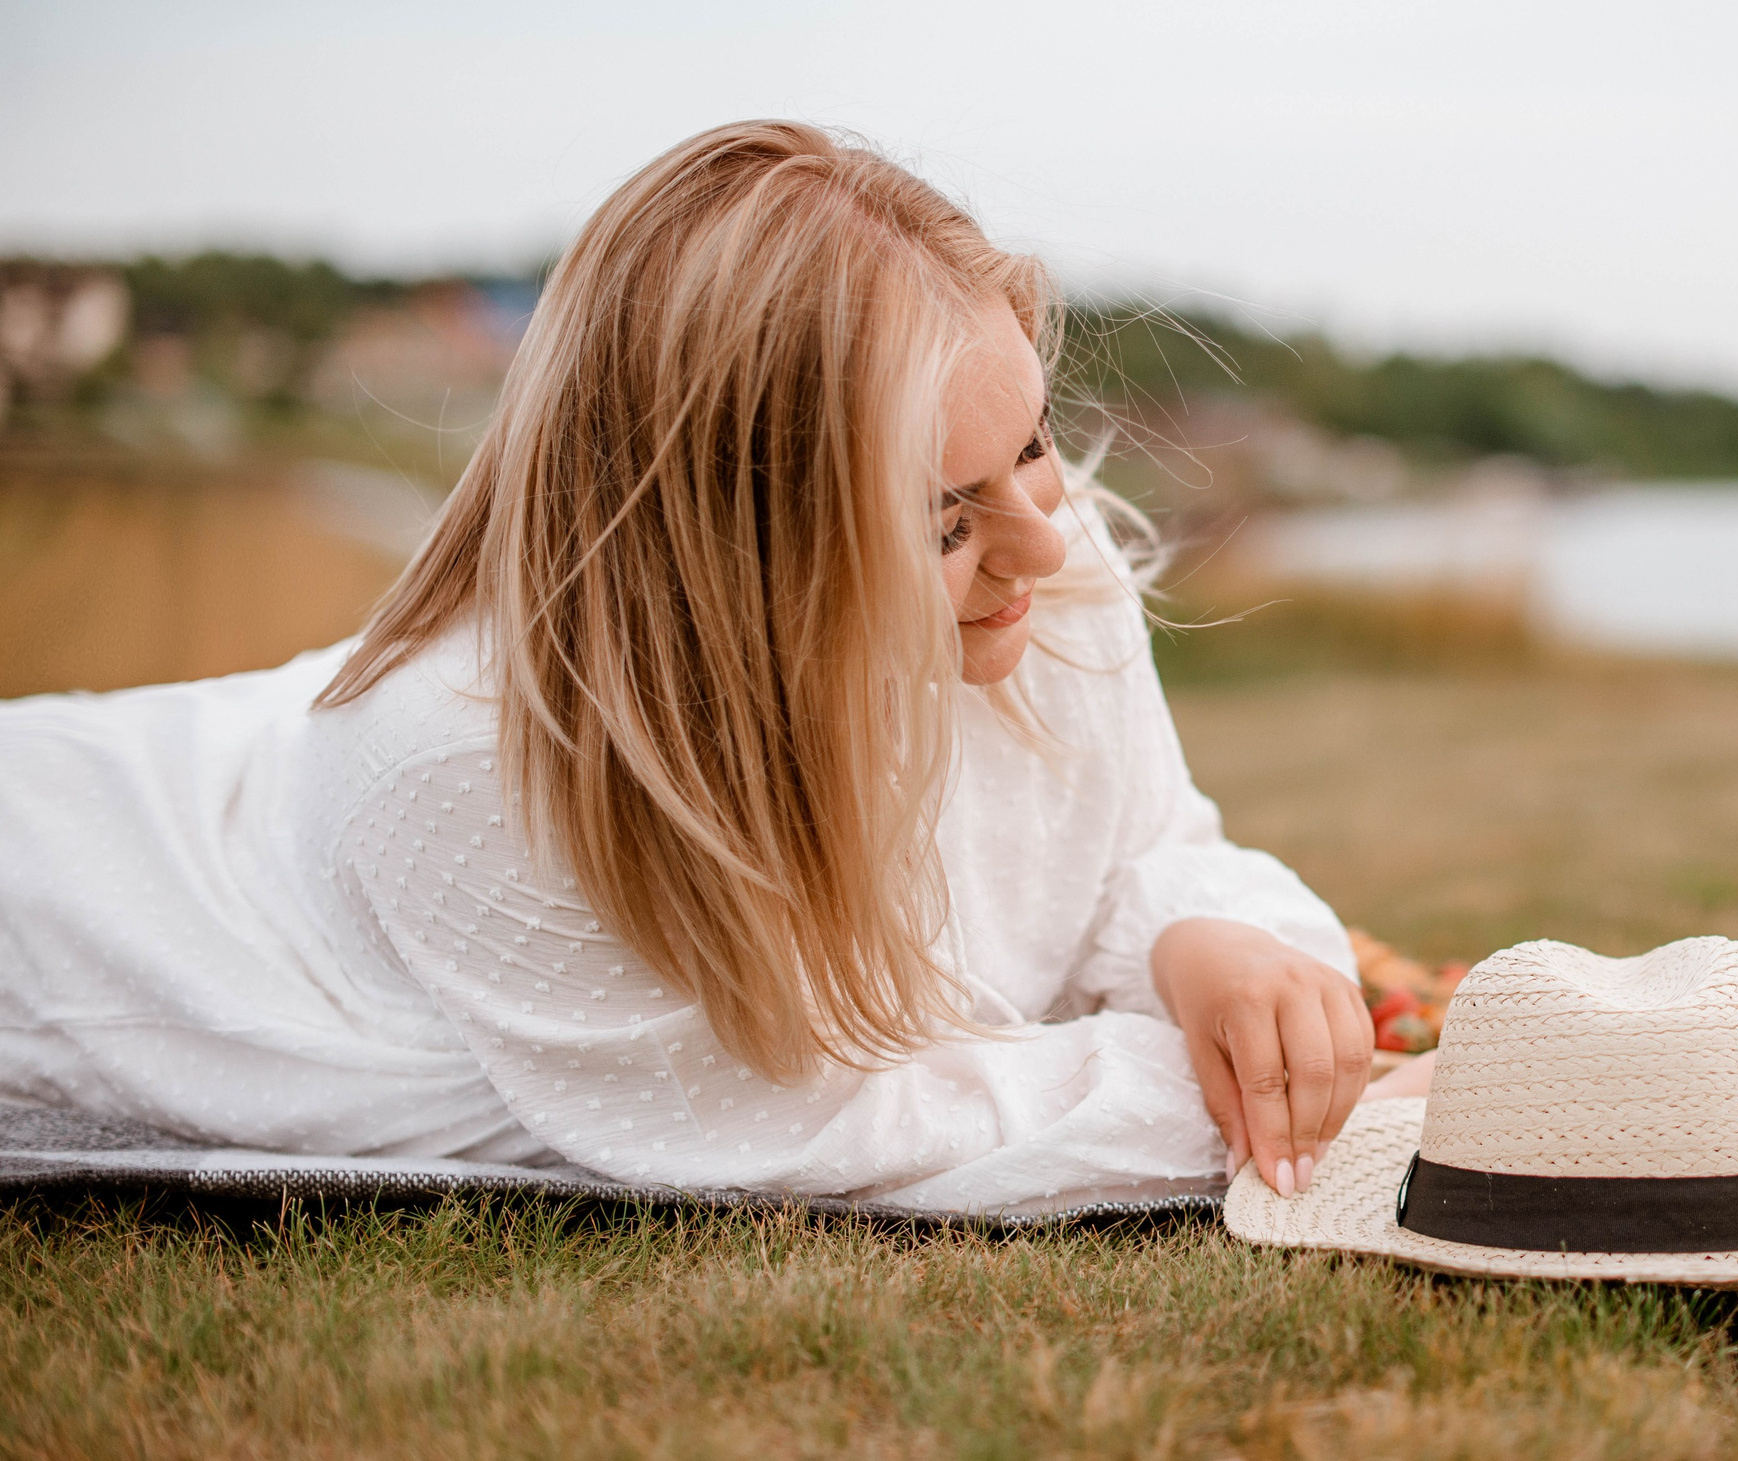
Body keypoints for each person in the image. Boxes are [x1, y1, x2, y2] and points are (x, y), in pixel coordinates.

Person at [0, 121, 1378, 1211]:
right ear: (734, 561)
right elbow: (840, 1128)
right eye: (941, 517)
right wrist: (1228, 1090)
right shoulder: (479, 771)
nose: (1042, 542)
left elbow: (1139, 851)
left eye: (1028, 444)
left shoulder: (1046, 580)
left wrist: (1209, 938)